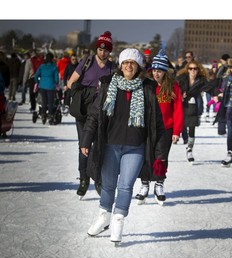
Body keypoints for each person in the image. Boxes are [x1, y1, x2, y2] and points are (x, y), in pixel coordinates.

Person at [80, 48, 167, 244]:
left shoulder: (147, 89)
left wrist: (160, 154)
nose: (129, 65)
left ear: (138, 67)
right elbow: (94, 116)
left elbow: (158, 125)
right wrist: (86, 139)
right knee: (108, 185)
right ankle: (104, 218)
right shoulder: (107, 85)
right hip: (110, 144)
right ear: (120, 65)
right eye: (125, 62)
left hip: (135, 147)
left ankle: (118, 220)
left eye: (133, 63)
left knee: (126, 186)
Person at [67, 31, 114, 199]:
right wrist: (86, 91)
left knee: (99, 147)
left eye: (106, 50)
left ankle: (98, 179)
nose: (103, 53)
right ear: (96, 49)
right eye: (100, 49)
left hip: (101, 114)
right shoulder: (86, 62)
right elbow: (70, 82)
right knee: (83, 146)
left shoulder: (112, 68)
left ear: (110, 51)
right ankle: (83, 178)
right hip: (83, 112)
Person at [134, 49, 184, 205]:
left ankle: (159, 184)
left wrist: (177, 131)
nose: (156, 74)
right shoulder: (146, 85)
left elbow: (178, 110)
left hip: (165, 128)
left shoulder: (173, 87)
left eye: (159, 71)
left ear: (165, 72)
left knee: (161, 157)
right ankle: (144, 184)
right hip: (147, 127)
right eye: (154, 70)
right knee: (146, 156)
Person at [176, 59, 213, 163]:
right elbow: (174, 89)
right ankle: (179, 137)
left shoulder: (201, 81)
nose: (192, 71)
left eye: (195, 69)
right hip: (182, 105)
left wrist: (217, 94)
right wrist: (180, 94)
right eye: (190, 68)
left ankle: (190, 149)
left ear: (198, 70)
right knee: (181, 124)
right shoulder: (181, 79)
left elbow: (210, 88)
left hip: (194, 106)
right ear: (187, 70)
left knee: (192, 128)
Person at [34, 52, 59, 125]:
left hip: (42, 86)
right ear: (52, 59)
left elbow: (36, 76)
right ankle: (50, 116)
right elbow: (57, 78)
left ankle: (43, 115)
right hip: (51, 86)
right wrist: (55, 83)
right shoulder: (54, 67)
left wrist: (38, 82)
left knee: (44, 101)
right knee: (51, 102)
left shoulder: (42, 66)